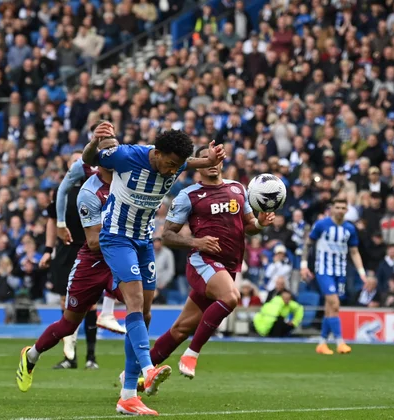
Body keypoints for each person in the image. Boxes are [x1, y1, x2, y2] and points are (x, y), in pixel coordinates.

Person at [80, 123, 226, 415]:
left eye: (177, 166)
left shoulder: (175, 162)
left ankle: (128, 396)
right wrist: (95, 142)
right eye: (170, 164)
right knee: (133, 302)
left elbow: (187, 162)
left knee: (145, 313)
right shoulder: (126, 156)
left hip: (144, 240)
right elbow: (89, 159)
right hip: (116, 237)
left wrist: (209, 160)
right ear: (157, 153)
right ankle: (148, 369)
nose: (173, 171)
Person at [147, 146, 274, 380]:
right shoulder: (188, 195)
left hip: (227, 266)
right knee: (231, 297)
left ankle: (133, 372)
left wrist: (261, 224)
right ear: (198, 163)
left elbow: (247, 226)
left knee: (181, 328)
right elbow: (167, 235)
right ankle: (191, 354)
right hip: (202, 261)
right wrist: (198, 241)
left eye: (216, 158)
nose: (212, 162)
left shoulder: (237, 189)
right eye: (206, 158)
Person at [17, 125, 124, 392]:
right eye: (105, 149)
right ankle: (35, 355)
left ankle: (138, 372)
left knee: (140, 306)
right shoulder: (87, 183)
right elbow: (61, 197)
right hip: (87, 250)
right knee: (69, 320)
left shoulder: (127, 173)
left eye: (115, 148)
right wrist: (61, 227)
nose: (112, 154)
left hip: (116, 252)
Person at [301, 198, 367, 355]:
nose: (340, 210)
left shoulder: (349, 228)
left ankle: (322, 343)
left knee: (330, 307)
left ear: (346, 210)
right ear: (332, 209)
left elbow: (354, 252)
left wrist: (362, 272)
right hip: (324, 270)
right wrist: (304, 265)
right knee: (335, 304)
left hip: (341, 272)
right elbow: (308, 244)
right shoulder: (322, 225)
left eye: (343, 207)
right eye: (337, 207)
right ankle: (340, 342)